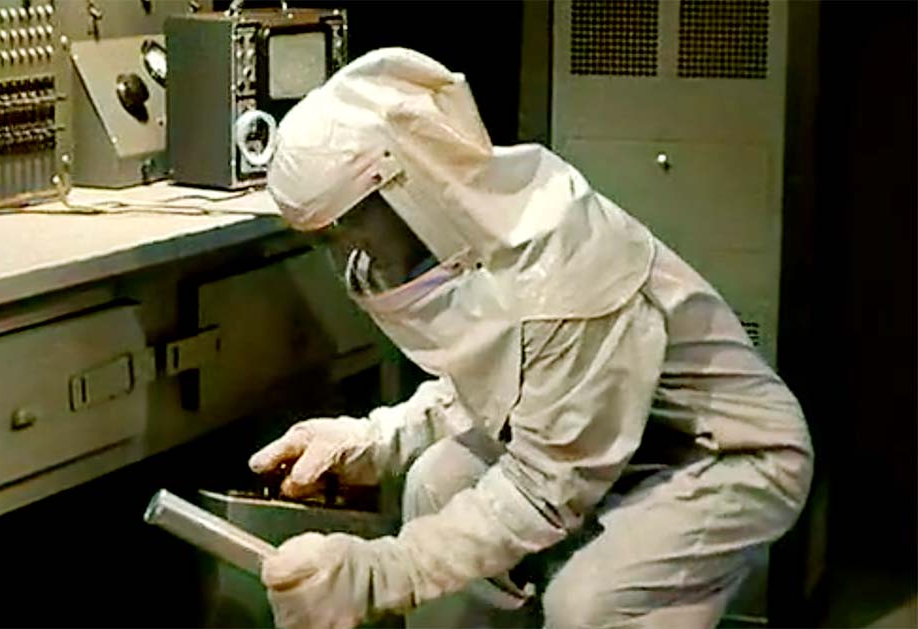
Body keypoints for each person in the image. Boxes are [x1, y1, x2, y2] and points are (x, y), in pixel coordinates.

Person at [248, 48, 813, 629]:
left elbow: (546, 488)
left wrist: (383, 573)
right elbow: (507, 391)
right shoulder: (475, 245)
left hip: (724, 453)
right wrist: (373, 440)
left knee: (589, 606)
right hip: (612, 441)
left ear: (404, 184)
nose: (351, 256)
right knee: (436, 482)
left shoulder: (563, 266)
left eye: (348, 229)